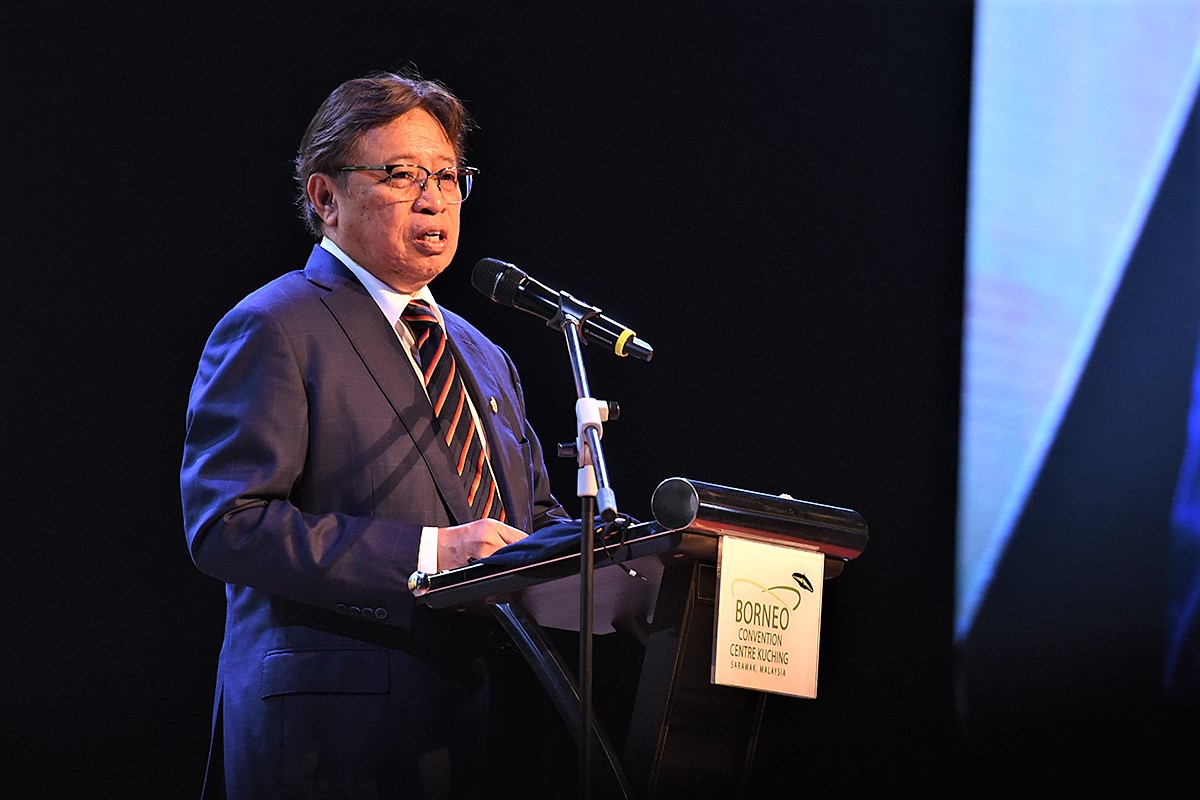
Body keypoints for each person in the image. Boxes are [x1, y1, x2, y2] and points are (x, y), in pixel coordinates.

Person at [180, 69, 583, 800]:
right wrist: (430, 555)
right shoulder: (274, 326)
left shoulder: (484, 355)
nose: (433, 199)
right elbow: (228, 526)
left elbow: (530, 522)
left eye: (448, 176)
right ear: (325, 198)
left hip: (486, 735)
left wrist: (632, 568)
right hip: (337, 743)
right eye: (401, 175)